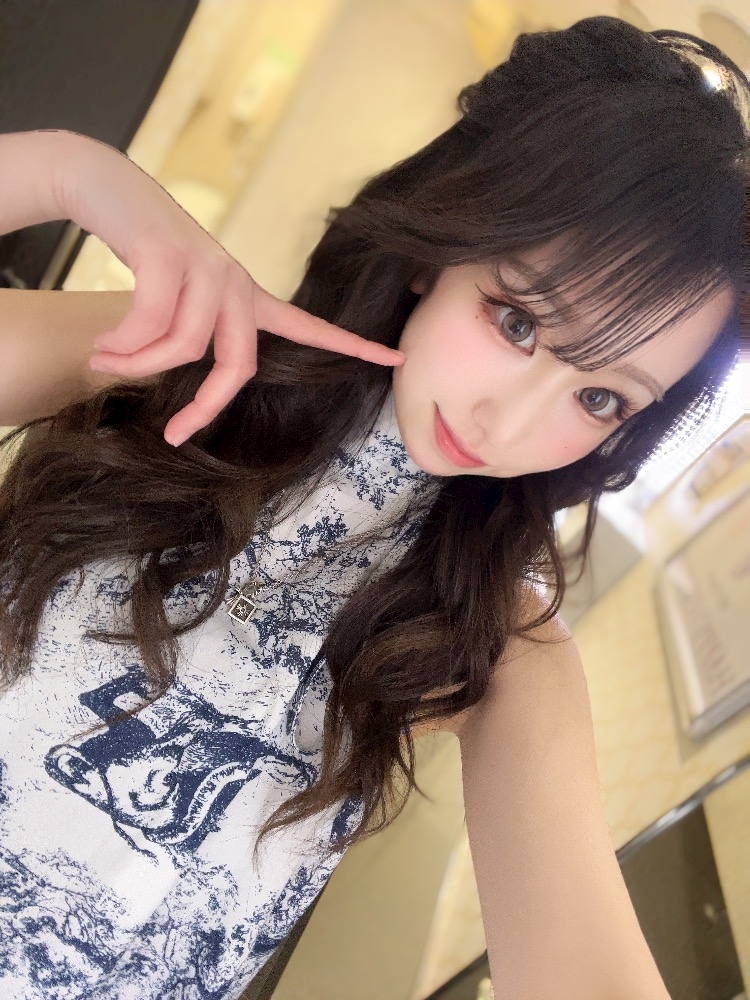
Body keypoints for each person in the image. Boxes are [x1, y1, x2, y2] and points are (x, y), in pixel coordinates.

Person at [0, 14, 746, 1000]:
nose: (510, 421)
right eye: (518, 321)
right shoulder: (189, 361)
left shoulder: (502, 646)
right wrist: (71, 172)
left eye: (601, 398)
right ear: (446, 243)